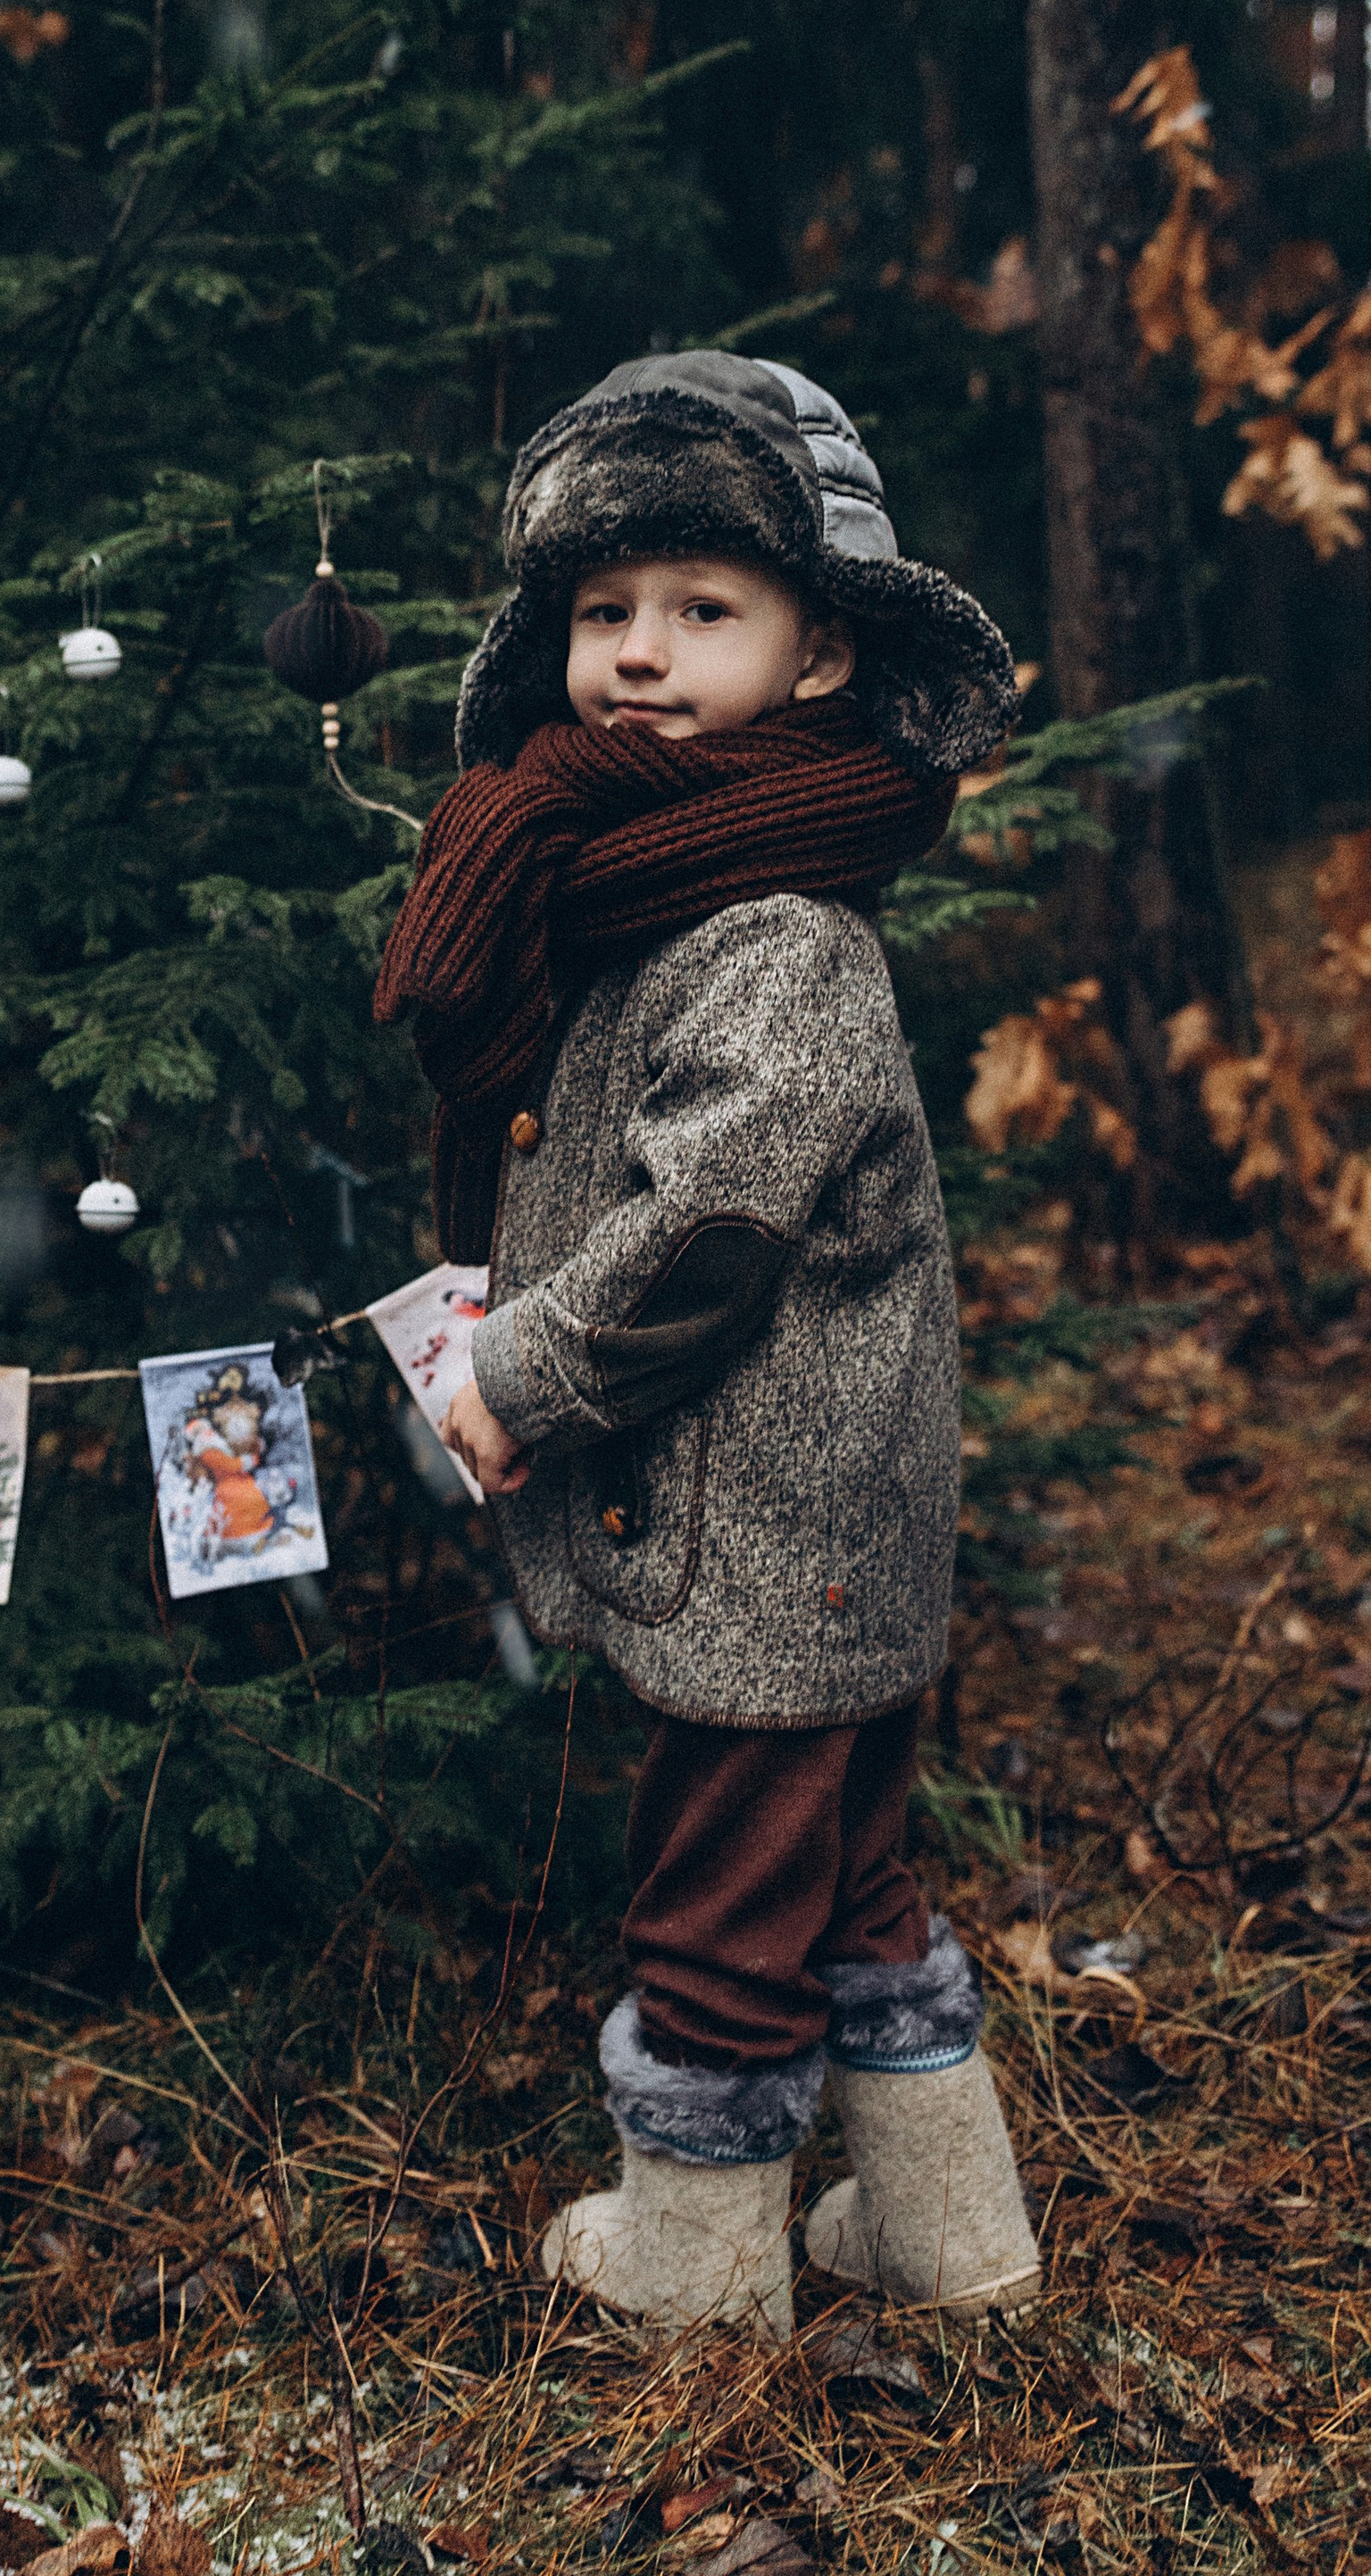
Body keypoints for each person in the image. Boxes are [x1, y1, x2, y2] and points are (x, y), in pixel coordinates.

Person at [376, 351, 1042, 2342]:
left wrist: (522, 1374)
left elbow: (703, 1231)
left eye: (700, 610)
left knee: (720, 1898)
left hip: (775, 1511)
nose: (638, 657)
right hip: (801, 1514)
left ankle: (692, 2274)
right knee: (842, 1886)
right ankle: (951, 2241)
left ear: (817, 651)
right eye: (602, 614)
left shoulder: (777, 932)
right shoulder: (648, 885)